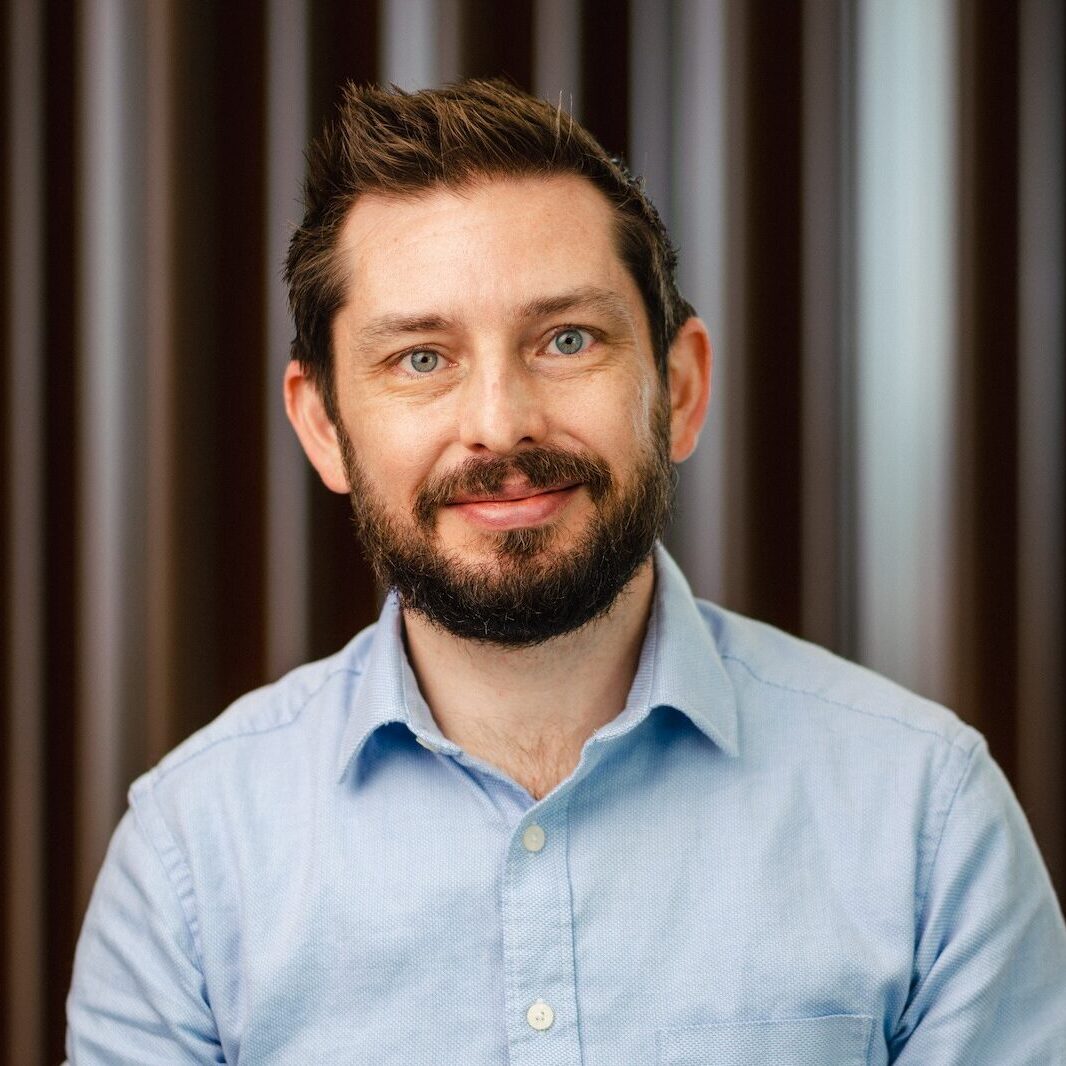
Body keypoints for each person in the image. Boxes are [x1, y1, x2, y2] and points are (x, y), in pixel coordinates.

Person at [66, 80, 1066, 1064]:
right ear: (323, 426)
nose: (500, 423)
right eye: (421, 357)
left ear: (677, 389)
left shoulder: (926, 818)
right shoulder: (190, 858)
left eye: (566, 339)